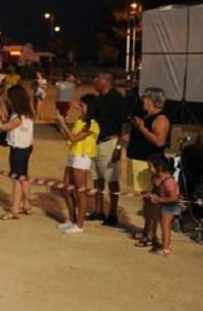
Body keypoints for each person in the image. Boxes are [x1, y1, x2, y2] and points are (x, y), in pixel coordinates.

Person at [118, 87, 169, 244]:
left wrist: (142, 128)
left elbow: (159, 141)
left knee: (151, 200)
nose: (143, 101)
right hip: (137, 161)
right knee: (145, 199)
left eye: (146, 98)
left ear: (153, 101)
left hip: (148, 163)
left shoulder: (161, 119)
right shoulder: (146, 116)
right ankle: (146, 229)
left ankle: (152, 234)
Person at [54, 93, 100, 234]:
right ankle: (72, 219)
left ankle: (80, 224)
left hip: (82, 158)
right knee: (66, 189)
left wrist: (63, 124)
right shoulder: (81, 120)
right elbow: (69, 137)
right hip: (73, 155)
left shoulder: (93, 124)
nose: (80, 108)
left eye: (83, 105)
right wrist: (61, 125)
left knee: (80, 192)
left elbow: (74, 138)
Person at [0, 84, 34, 219]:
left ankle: (14, 210)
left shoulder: (19, 117)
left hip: (18, 150)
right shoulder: (26, 113)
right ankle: (26, 204)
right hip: (26, 148)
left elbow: (3, 126)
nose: (7, 100)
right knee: (23, 177)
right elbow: (9, 123)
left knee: (16, 180)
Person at [88, 73, 126, 226]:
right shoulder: (98, 99)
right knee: (96, 178)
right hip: (95, 142)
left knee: (111, 179)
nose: (95, 81)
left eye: (98, 79)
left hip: (110, 142)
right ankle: (98, 210)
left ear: (107, 82)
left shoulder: (117, 100)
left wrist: (119, 147)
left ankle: (112, 213)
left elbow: (124, 124)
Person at [146, 153, 180, 256]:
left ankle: (165, 248)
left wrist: (159, 200)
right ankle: (165, 244)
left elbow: (174, 197)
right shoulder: (157, 178)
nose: (149, 169)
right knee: (163, 224)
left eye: (150, 167)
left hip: (171, 205)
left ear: (159, 167)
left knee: (165, 225)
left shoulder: (168, 181)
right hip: (164, 203)